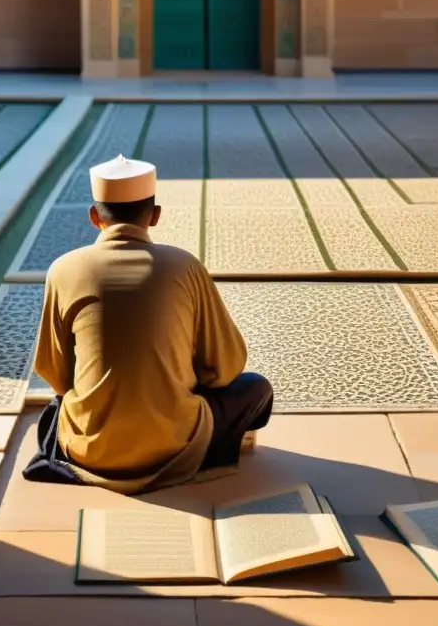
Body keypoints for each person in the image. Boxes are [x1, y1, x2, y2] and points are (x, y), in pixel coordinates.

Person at [22, 154, 274, 494]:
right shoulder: (185, 266)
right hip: (174, 445)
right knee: (256, 387)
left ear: (95, 216)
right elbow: (225, 367)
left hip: (89, 449)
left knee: (59, 409)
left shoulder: (63, 269)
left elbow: (55, 373)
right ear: (154, 216)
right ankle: (208, 453)